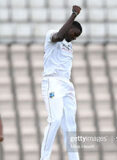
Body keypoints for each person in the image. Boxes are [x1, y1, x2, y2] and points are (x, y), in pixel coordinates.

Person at [40, 5, 82, 160]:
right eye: (74, 33)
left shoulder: (70, 46)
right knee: (55, 119)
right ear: (69, 27)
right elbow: (58, 36)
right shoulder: (52, 35)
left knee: (70, 125)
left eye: (77, 36)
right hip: (52, 81)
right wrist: (73, 15)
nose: (75, 37)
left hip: (66, 84)